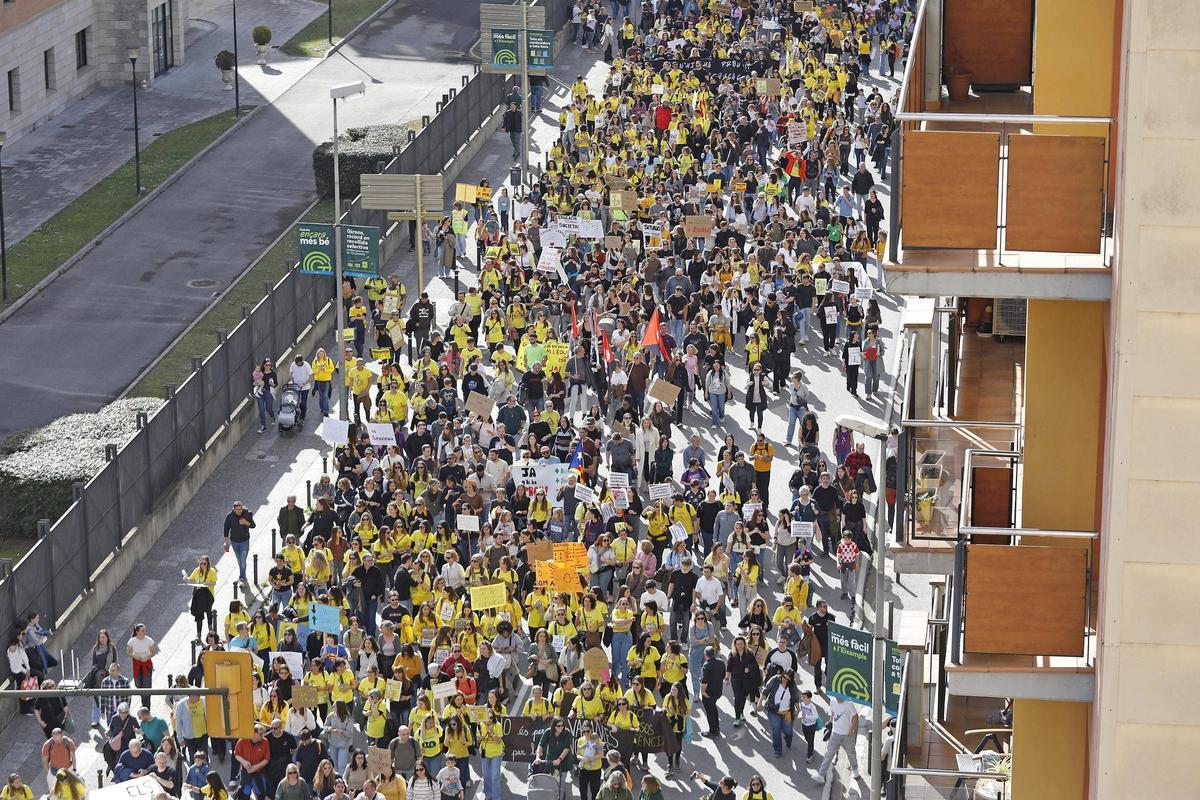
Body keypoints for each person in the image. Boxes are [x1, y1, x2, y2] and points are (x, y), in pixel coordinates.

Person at [816, 696, 861, 782]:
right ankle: (821, 775)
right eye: (837, 697)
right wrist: (830, 722)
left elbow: (855, 717)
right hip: (835, 733)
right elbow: (833, 713)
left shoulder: (849, 704)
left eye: (840, 697)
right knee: (828, 753)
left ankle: (855, 771)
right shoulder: (832, 701)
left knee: (851, 753)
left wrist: (852, 729)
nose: (838, 699)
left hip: (847, 735)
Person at [762, 668, 801, 757]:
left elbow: (795, 698)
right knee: (776, 730)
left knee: (788, 732)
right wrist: (760, 702)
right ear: (782, 675)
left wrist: (797, 709)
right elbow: (766, 690)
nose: (785, 680)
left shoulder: (792, 686)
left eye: (787, 679)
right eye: (784, 677)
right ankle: (777, 750)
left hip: (787, 713)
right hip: (774, 711)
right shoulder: (775, 680)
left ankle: (788, 740)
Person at [698, 646, 725, 738]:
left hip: (709, 692)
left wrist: (703, 692)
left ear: (705, 655)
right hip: (718, 691)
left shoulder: (706, 665)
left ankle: (713, 731)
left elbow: (704, 681)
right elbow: (723, 675)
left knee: (709, 712)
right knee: (713, 708)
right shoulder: (721, 662)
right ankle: (716, 727)